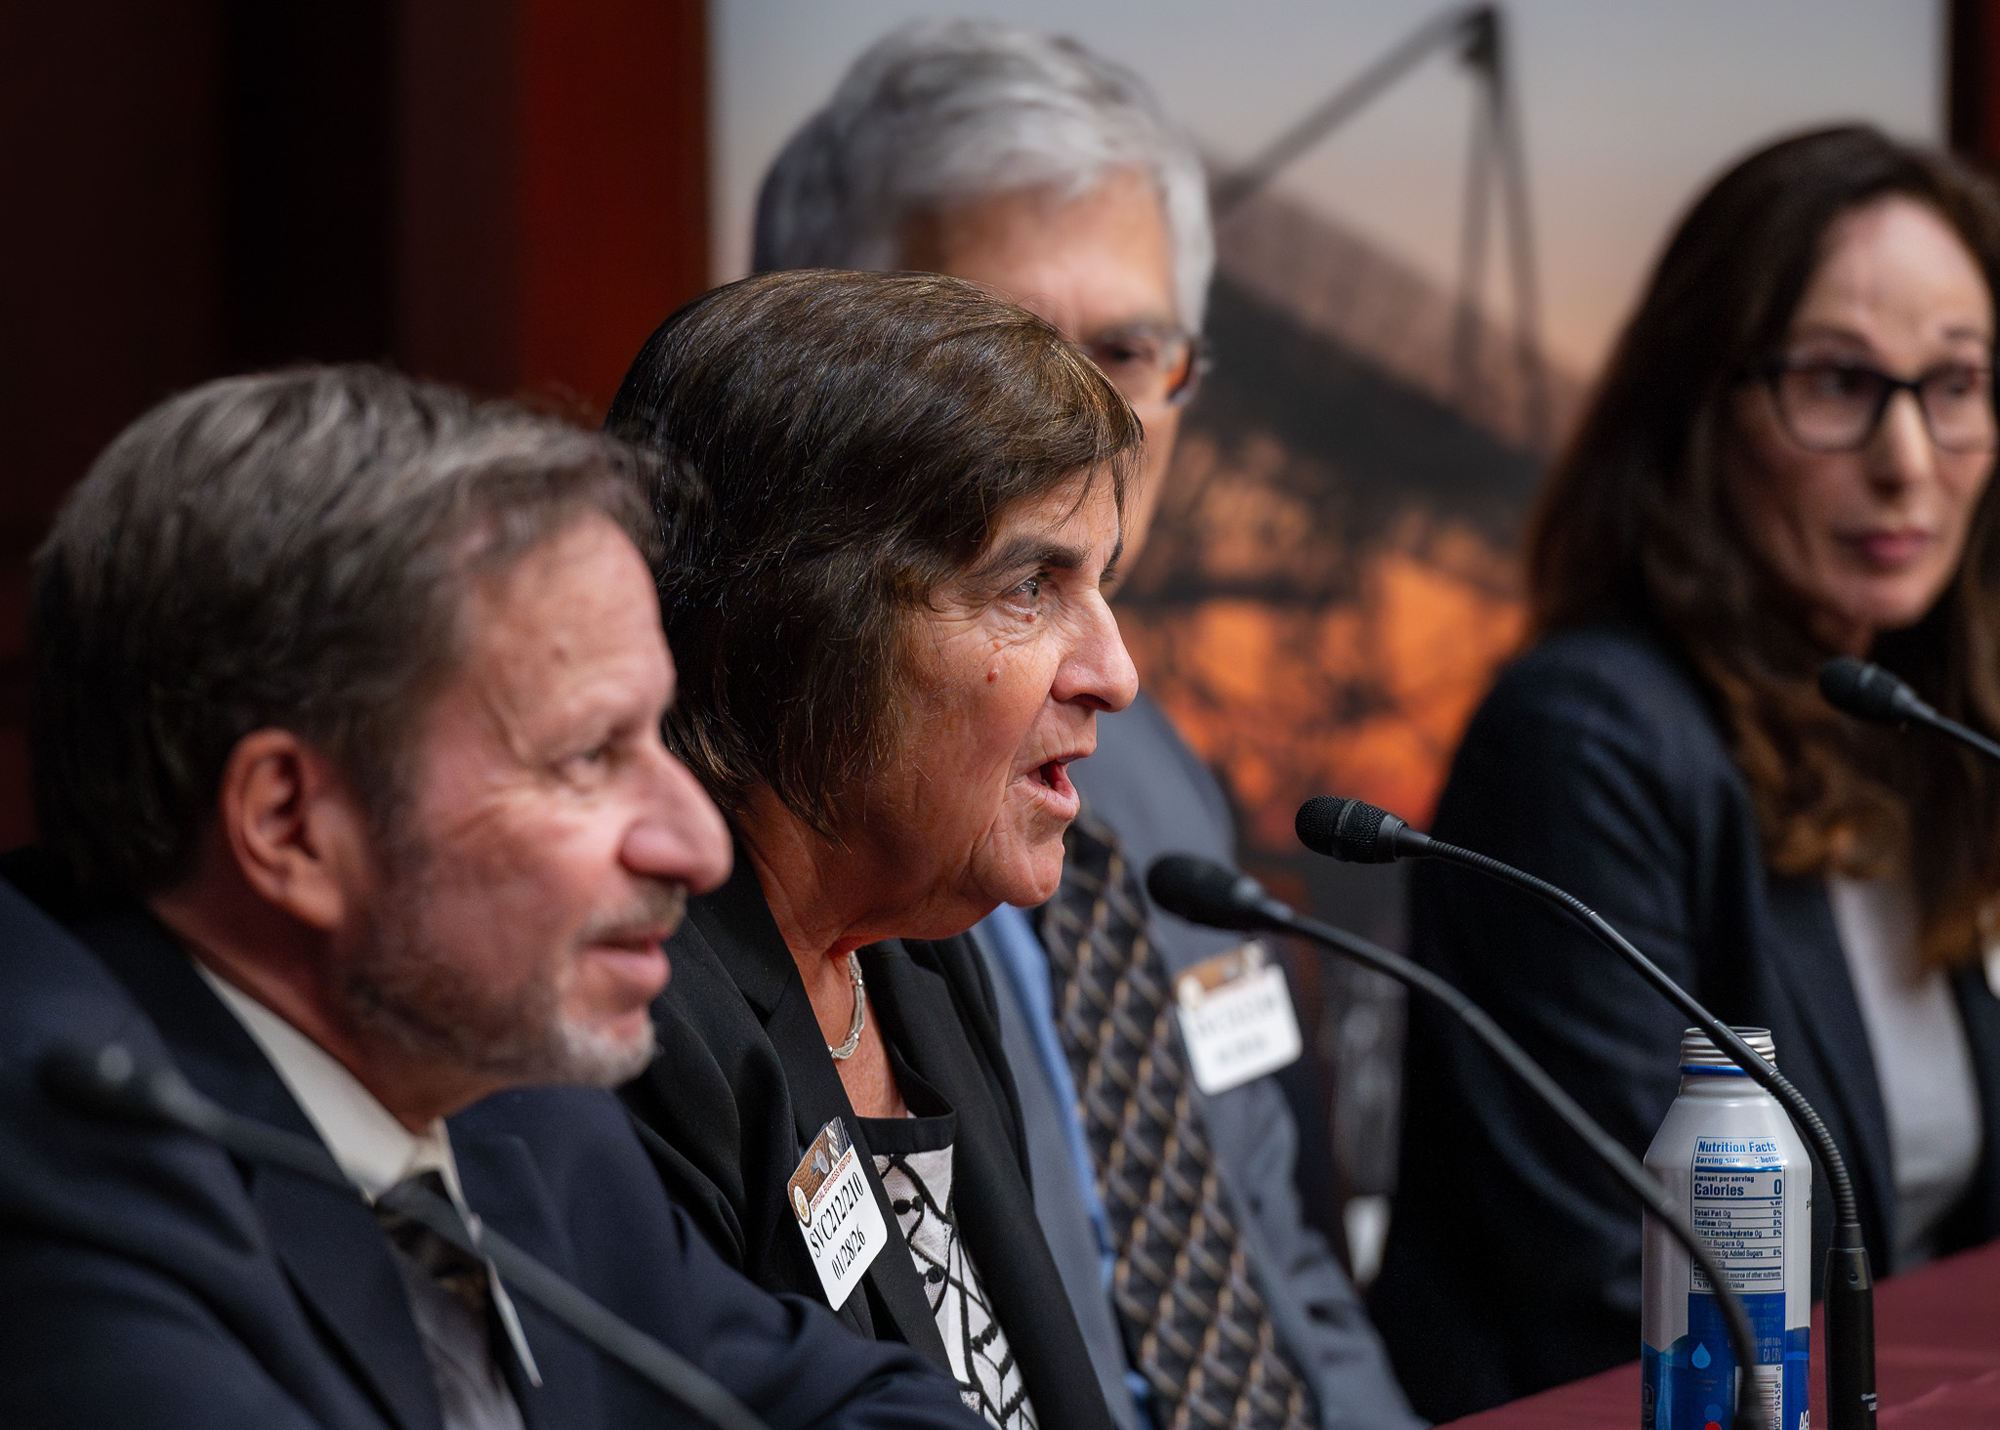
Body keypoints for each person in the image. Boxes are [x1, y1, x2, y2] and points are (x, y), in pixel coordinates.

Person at [0, 364, 984, 1430]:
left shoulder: (507, 1085)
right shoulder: (58, 1159)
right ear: (291, 825)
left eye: (655, 739)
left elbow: (853, 1399)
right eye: (587, 755)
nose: (699, 849)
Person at [752, 23, 1422, 1430]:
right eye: (1002, 355)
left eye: (1125, 348)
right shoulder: (773, 834)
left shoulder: (1162, 778)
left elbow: (1284, 1267)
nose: (1086, 423)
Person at [1374, 125, 2000, 1420]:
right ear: (1698, 411)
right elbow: (1630, 1295)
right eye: (1837, 381)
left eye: (1955, 383)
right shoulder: (1584, 739)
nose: (1908, 457)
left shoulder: (1919, 734)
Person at [611, 269, 1133, 1430]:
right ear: (807, 620)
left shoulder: (920, 959)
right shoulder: (644, 1014)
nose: (1115, 672)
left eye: (1100, 584)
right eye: (1030, 585)